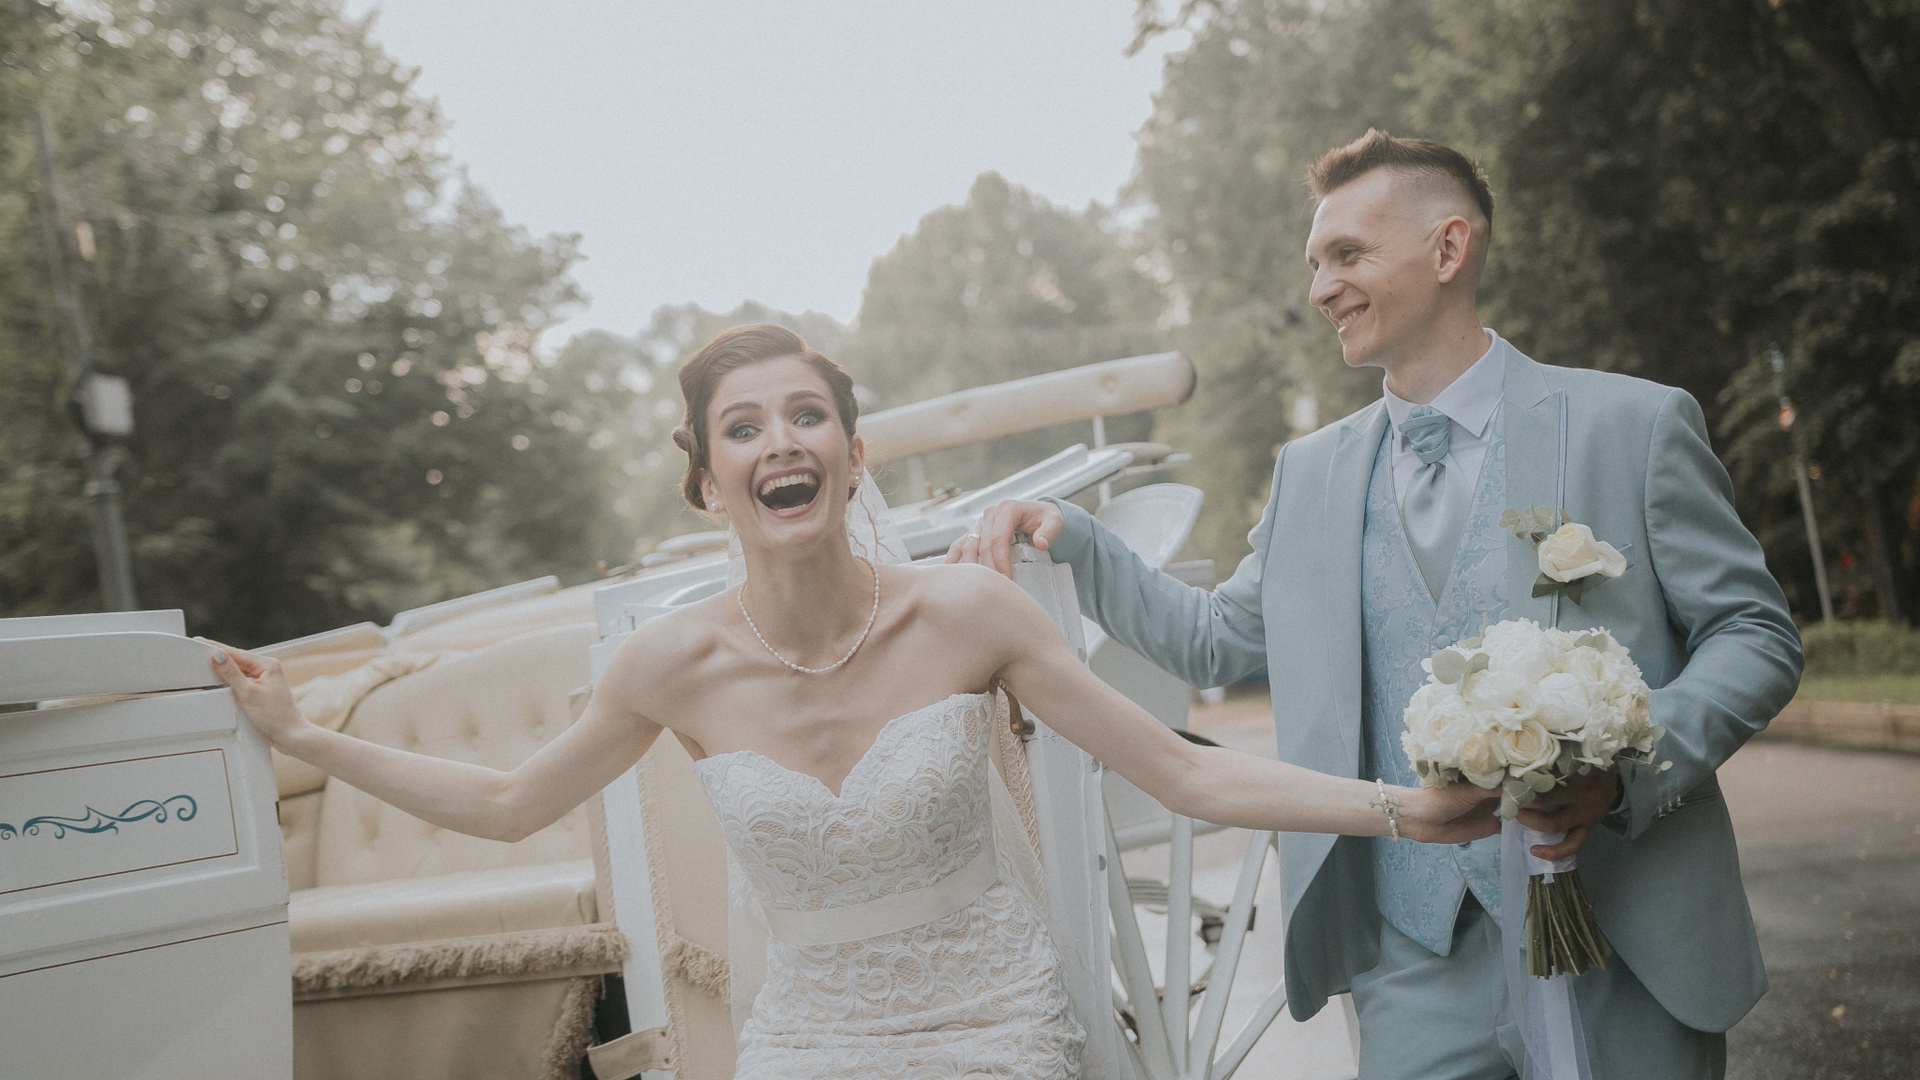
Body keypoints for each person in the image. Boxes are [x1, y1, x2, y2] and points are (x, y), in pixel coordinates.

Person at [206, 323, 1497, 1080]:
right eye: (743, 428)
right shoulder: (668, 664)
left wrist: (1411, 809)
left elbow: (1189, 773)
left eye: (808, 417)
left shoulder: (967, 615)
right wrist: (307, 736)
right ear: (709, 482)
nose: (781, 441)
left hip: (993, 1029)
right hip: (811, 1044)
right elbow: (506, 802)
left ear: (851, 453)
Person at [951, 131, 1803, 1080]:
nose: (1322, 289)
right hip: (1414, 959)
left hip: (1623, 928)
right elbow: (1215, 640)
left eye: (1347, 254)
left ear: (1449, 249)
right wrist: (1077, 537)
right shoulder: (1309, 474)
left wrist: (1628, 769)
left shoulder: (1632, 425)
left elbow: (1755, 634)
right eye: (1315, 264)